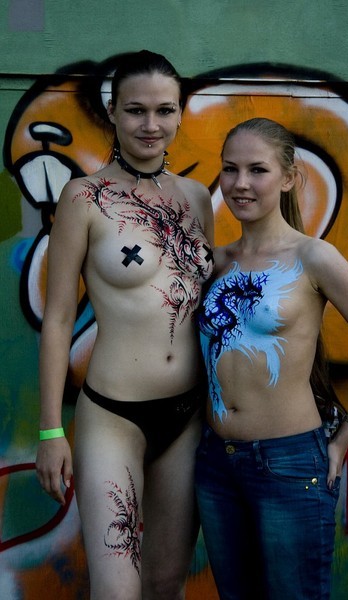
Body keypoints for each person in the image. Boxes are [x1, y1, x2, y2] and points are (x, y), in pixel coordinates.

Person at [195, 117, 348, 600]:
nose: (240, 183)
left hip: (288, 464)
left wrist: (345, 437)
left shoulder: (313, 257)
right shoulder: (217, 262)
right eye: (230, 169)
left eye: (258, 170)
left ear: (288, 177)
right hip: (216, 463)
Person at [35, 50, 214, 600]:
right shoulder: (83, 198)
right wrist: (50, 430)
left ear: (180, 113)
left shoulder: (196, 198)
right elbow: (58, 318)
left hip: (188, 416)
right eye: (136, 110)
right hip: (113, 416)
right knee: (116, 590)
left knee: (165, 582)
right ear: (112, 112)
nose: (151, 125)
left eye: (165, 110)